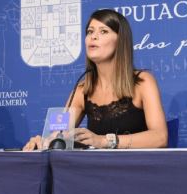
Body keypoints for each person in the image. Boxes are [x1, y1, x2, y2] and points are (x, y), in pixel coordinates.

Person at [23, 9, 168, 150]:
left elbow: (160, 137)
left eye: (103, 31)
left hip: (136, 170)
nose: (93, 36)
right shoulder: (82, 90)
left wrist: (104, 141)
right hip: (96, 170)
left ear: (120, 41)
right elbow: (59, 134)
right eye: (90, 31)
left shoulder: (142, 82)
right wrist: (44, 141)